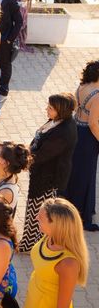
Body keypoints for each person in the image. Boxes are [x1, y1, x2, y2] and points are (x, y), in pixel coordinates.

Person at [23, 198, 89, 308]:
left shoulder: (68, 263)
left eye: (41, 218)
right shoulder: (49, 238)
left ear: (56, 225)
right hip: (33, 306)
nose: (36, 219)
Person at [19, 93, 77, 252]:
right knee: (34, 209)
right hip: (42, 173)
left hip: (47, 178)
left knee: (38, 212)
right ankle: (30, 243)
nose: (47, 110)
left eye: (50, 108)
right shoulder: (58, 121)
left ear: (61, 110)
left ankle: (31, 245)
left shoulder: (64, 132)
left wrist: (21, 161)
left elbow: (43, 155)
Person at [62, 60, 99, 231]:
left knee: (74, 170)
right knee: (86, 175)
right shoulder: (97, 95)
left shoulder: (81, 87)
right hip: (88, 138)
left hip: (76, 130)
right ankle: (82, 214)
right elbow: (93, 124)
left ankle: (67, 205)